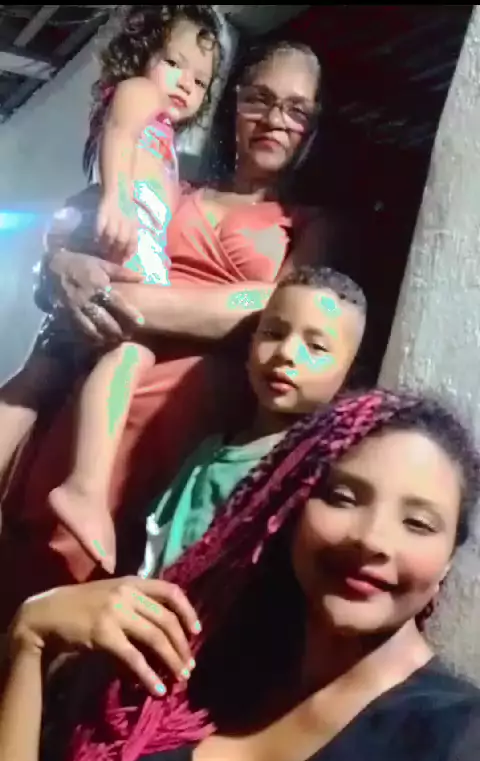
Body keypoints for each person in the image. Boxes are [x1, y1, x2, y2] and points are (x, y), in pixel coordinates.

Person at [1, 388, 480, 761]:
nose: (372, 539)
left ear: (446, 563)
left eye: (418, 523)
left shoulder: (459, 744)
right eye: (343, 497)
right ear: (291, 510)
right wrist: (30, 638)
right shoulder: (185, 670)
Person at [0, 37, 329, 625]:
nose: (274, 119)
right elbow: (77, 230)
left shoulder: (311, 223)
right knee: (26, 581)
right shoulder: (175, 180)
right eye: (259, 99)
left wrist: (118, 298)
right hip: (91, 402)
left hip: (182, 427)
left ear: (315, 126)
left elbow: (271, 307)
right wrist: (61, 267)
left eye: (296, 109)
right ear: (234, 105)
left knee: (112, 604)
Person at [0, 5, 223, 574]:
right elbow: (119, 136)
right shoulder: (139, 95)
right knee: (132, 346)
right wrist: (118, 197)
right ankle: (85, 485)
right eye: (173, 62)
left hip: (118, 233)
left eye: (200, 81)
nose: (185, 83)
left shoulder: (165, 137)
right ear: (142, 54)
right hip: (127, 237)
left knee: (42, 371)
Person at [140, 265, 366, 577]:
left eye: (315, 347)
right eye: (273, 334)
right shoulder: (210, 451)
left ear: (348, 376)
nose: (286, 353)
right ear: (250, 347)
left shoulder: (308, 474)